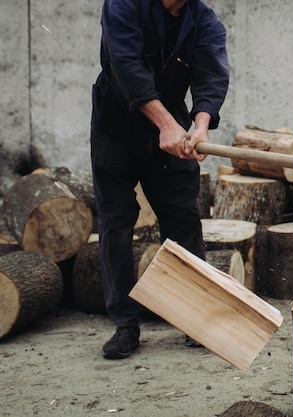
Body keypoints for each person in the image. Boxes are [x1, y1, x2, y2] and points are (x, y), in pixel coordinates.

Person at [90, 0, 229, 359]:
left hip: (173, 119)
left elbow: (211, 75)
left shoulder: (205, 21)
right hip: (116, 122)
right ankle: (125, 324)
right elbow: (126, 65)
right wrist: (165, 125)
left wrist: (199, 127)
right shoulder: (123, 5)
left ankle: (191, 318)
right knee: (116, 220)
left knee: (183, 217)